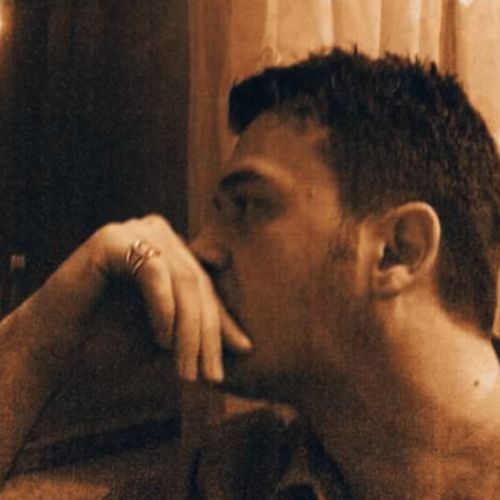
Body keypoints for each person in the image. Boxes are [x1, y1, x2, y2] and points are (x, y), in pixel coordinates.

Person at [1, 47, 500, 498]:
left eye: (246, 205)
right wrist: (46, 334)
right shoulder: (236, 475)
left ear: (398, 250)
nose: (199, 250)